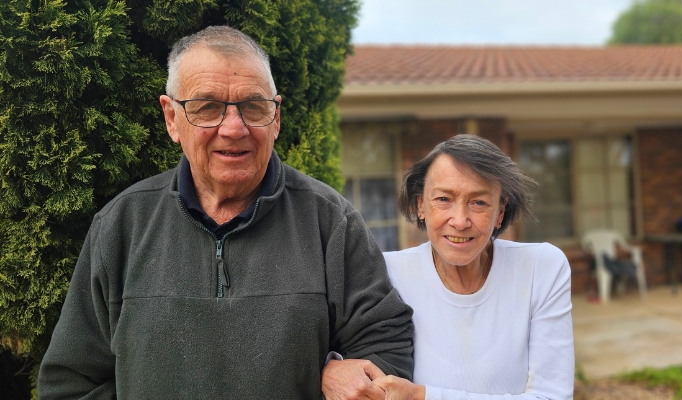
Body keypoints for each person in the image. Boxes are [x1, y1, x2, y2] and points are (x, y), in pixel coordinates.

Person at [37, 26, 413, 399]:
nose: (234, 128)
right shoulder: (121, 226)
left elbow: (386, 345)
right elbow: (71, 383)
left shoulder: (330, 222)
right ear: (172, 119)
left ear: (276, 116)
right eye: (207, 108)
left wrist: (346, 370)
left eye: (253, 106)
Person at [371, 134, 574, 399]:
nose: (460, 220)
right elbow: (347, 370)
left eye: (479, 202)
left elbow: (552, 396)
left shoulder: (540, 268)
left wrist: (420, 396)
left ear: (500, 212)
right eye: (443, 199)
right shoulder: (385, 274)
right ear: (421, 205)